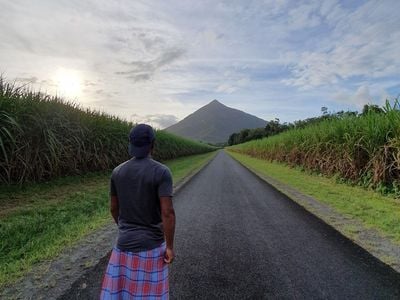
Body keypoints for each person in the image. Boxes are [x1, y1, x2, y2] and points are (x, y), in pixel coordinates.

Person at [100, 124, 176, 299]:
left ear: (130, 144)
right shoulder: (162, 172)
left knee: (122, 294)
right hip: (152, 248)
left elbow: (113, 208)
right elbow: (167, 213)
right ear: (152, 144)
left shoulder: (117, 172)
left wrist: (125, 228)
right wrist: (170, 247)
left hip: (122, 248)